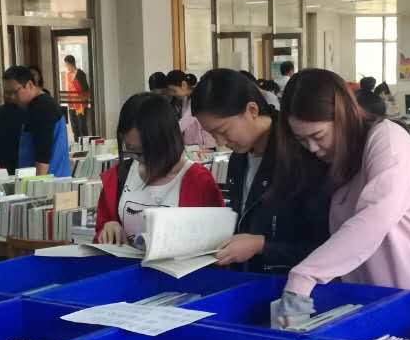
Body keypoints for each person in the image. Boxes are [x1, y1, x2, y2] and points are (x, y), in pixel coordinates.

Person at [272, 69, 410, 322]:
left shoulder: (388, 140)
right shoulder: (338, 161)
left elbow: (373, 219)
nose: (312, 148)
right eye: (302, 140)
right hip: (372, 302)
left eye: (318, 136)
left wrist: (304, 276)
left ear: (343, 117)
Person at [192, 69, 328, 273]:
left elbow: (323, 245)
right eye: (212, 134)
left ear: (252, 110)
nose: (220, 142)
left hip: (292, 280)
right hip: (249, 278)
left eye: (223, 130)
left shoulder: (299, 154)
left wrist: (261, 245)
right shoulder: (239, 157)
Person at [94, 92, 224, 244]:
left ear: (167, 140)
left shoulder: (199, 181)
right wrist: (108, 228)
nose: (142, 159)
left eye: (148, 151)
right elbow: (101, 234)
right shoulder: (118, 177)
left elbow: (217, 242)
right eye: (132, 150)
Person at [2, 65, 70, 177]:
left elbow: (43, 158)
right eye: (8, 93)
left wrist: (37, 185)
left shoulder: (42, 108)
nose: (12, 97)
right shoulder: (35, 105)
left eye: (15, 92)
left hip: (48, 181)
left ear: (29, 85)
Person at [165, 69, 217, 148]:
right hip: (193, 145)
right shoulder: (185, 99)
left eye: (174, 90)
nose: (172, 94)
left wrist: (166, 134)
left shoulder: (198, 98)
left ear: (184, 85)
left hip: (205, 145)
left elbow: (186, 121)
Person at [61, 54, 91, 137]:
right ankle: (77, 143)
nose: (66, 67)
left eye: (67, 65)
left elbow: (86, 91)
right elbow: (68, 90)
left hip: (80, 105)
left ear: (71, 64)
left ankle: (85, 143)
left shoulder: (81, 74)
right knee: (74, 127)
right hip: (71, 105)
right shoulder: (68, 75)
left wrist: (83, 102)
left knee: (82, 126)